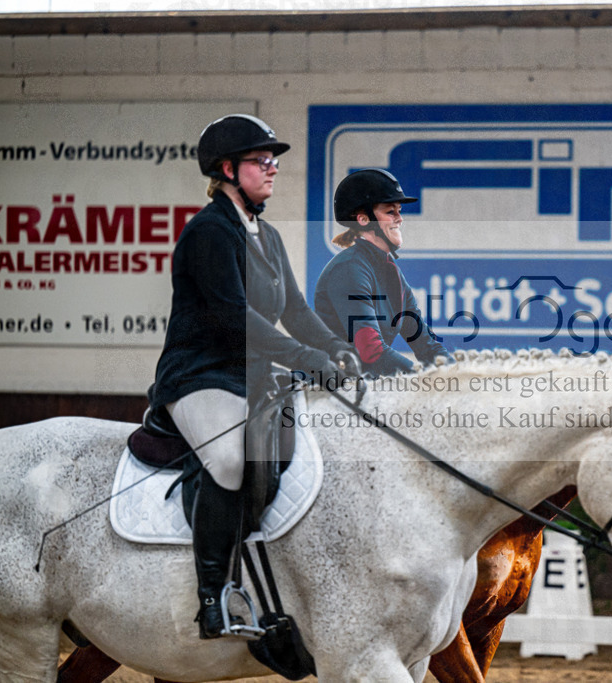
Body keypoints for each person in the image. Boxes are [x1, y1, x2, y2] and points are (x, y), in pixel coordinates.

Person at [147, 114, 359, 639]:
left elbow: (294, 309)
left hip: (254, 378)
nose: (273, 169)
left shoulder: (267, 233)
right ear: (227, 169)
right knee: (229, 458)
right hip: (201, 377)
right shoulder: (208, 233)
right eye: (261, 161)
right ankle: (213, 595)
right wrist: (305, 358)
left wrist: (333, 346)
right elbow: (233, 320)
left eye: (274, 161)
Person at [314, 168, 452, 376]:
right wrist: (422, 381)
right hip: (331, 393)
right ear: (363, 219)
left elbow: (426, 345)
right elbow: (371, 351)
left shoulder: (390, 271)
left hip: (366, 391)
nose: (400, 218)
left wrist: (458, 376)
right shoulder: (349, 268)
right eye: (390, 212)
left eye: (399, 211)